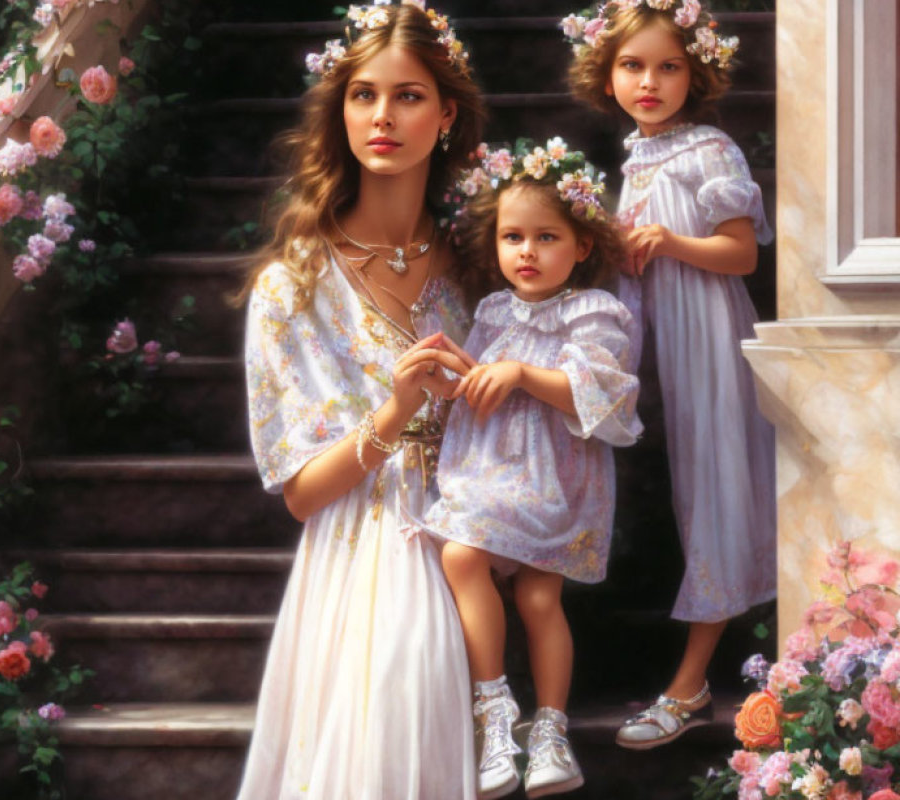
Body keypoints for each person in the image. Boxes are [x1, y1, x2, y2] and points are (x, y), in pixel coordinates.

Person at [236, 3, 487, 798]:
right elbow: (304, 495)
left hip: (483, 543)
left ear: (446, 113)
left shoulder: (488, 269)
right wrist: (395, 412)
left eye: (409, 95)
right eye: (363, 95)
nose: (383, 117)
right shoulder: (292, 288)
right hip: (362, 558)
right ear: (339, 110)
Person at [564, 0, 777, 749]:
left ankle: (689, 689)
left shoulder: (709, 148)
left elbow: (742, 255)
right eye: (632, 65)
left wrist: (669, 241)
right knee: (687, 485)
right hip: (663, 336)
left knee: (716, 482)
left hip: (710, 335)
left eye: (667, 66)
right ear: (607, 73)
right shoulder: (638, 152)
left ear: (696, 73)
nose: (648, 81)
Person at [421, 141, 642, 798]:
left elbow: (598, 396)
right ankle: (495, 714)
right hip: (493, 468)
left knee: (540, 595)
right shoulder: (491, 313)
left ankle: (549, 730)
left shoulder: (594, 313)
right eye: (513, 237)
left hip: (557, 477)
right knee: (462, 558)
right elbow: (482, 386)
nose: (527, 251)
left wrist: (520, 372)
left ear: (580, 246)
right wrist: (457, 372)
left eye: (547, 237)